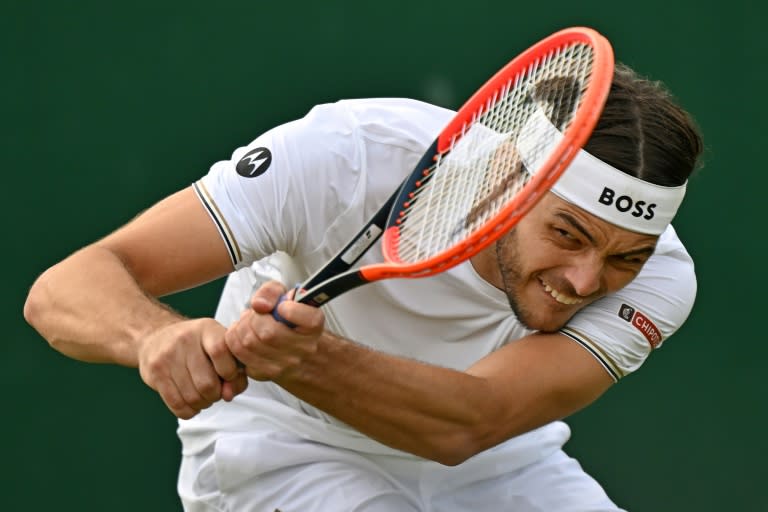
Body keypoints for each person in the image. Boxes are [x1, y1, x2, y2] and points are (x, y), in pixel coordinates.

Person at [24, 62, 703, 511]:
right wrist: (158, 336)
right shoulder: (344, 157)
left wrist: (307, 357)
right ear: (510, 177)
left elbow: (473, 421)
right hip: (282, 451)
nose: (587, 281)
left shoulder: (665, 279)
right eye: (569, 235)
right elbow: (65, 287)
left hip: (497, 462)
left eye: (626, 258)